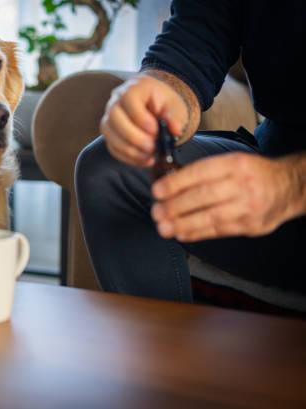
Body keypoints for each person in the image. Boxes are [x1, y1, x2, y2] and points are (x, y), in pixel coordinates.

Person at [74, 0, 306, 302]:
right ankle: (160, 343)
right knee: (107, 168)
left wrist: (291, 185)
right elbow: (195, 37)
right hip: (276, 145)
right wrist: (163, 90)